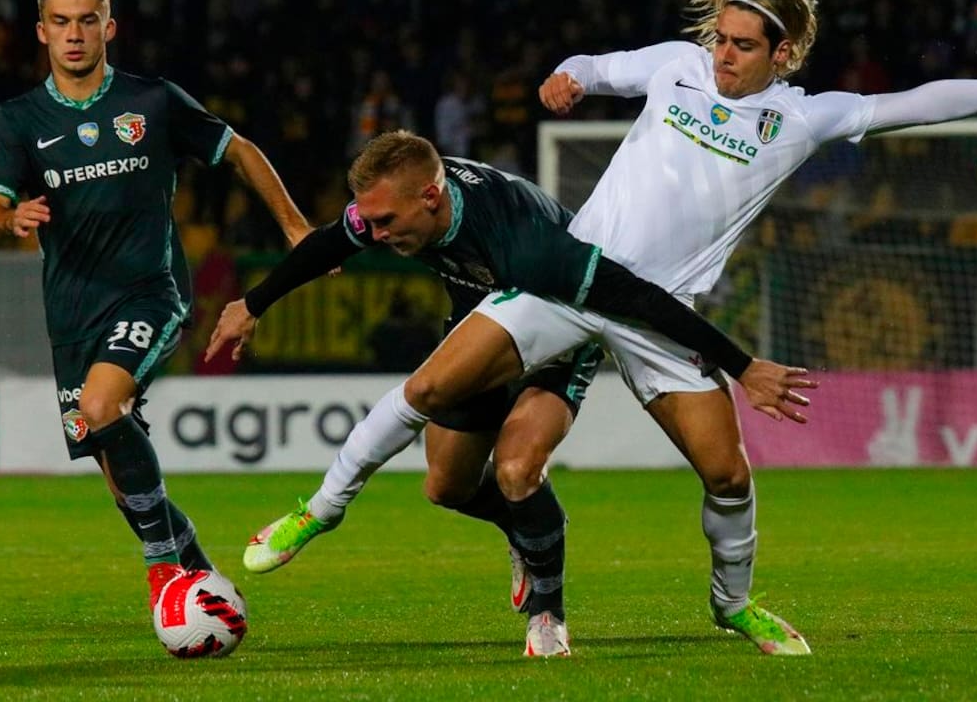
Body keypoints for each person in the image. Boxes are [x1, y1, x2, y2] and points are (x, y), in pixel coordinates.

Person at [220, 0, 977, 658]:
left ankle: (734, 606)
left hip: (662, 317)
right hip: (572, 279)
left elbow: (917, 101)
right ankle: (318, 511)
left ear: (781, 55)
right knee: (428, 392)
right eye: (719, 39)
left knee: (727, 473)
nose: (722, 54)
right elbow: (598, 66)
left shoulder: (804, 118)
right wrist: (566, 76)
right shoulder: (676, 68)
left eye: (743, 46)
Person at [205, 130, 798, 657]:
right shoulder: (391, 203)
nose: (376, 234)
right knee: (445, 486)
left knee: (517, 470)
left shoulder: (529, 245)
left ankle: (547, 611)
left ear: (430, 198)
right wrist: (252, 304)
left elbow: (640, 299)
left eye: (386, 222)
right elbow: (330, 243)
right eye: (372, 221)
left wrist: (741, 365)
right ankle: (523, 526)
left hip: (560, 322)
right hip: (483, 330)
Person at [0, 0, 311, 618]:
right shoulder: (19, 120)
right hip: (71, 313)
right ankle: (201, 576)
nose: (75, 34)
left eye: (87, 20)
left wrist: (296, 227)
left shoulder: (151, 101)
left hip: (149, 293)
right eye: (62, 22)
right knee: (116, 473)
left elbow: (238, 149)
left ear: (110, 26)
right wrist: (5, 218)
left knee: (103, 406)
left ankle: (162, 572)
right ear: (41, 32)